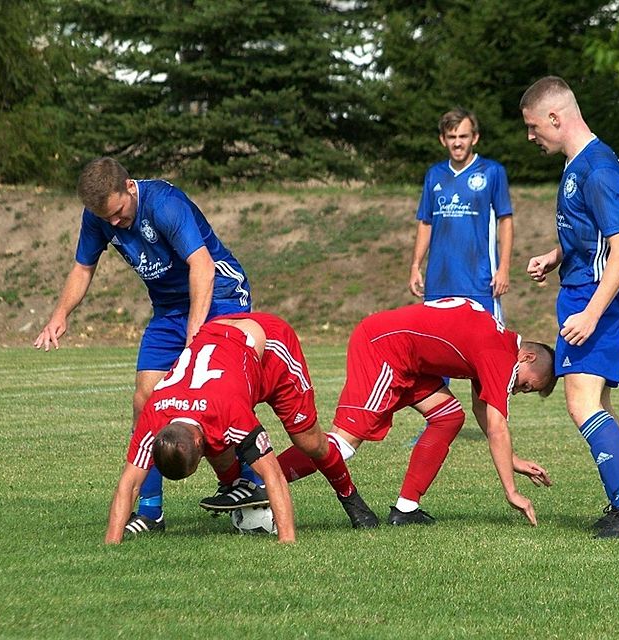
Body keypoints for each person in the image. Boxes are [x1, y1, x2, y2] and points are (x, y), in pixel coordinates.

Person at [36, 157, 258, 535]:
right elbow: (83, 267)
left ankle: (249, 480)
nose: (114, 223)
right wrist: (60, 314)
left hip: (220, 295)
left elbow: (202, 266)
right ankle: (151, 511)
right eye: (106, 218)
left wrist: (195, 335)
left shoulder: (164, 204)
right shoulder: (99, 216)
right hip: (169, 309)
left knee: (215, 397)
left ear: (129, 187)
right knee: (145, 401)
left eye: (118, 213)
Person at [270, 297, 555, 526]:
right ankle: (260, 481)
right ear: (527, 357)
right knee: (344, 443)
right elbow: (496, 426)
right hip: (383, 347)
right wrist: (511, 491)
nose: (518, 391)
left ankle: (406, 509)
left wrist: (512, 459)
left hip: (407, 358)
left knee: (448, 416)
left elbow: (481, 406)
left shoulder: (497, 341)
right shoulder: (500, 356)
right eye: (526, 385)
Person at [520, 76, 619, 539]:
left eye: (533, 126)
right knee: (598, 403)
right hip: (583, 291)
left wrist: (592, 313)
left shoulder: (598, 169)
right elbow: (590, 235)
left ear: (555, 117)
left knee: (581, 402)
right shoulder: (578, 164)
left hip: (597, 297)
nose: (530, 135)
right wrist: (555, 255)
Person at [105, 312, 377, 544]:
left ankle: (350, 498)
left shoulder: (230, 413)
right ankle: (239, 486)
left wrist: (287, 542)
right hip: (224, 347)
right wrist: (112, 543)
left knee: (310, 442)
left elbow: (273, 475)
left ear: (196, 442)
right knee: (217, 438)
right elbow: (130, 484)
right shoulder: (154, 413)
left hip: (271, 347)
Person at [409, 107, 514, 323]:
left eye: (463, 136)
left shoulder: (492, 172)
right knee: (438, 342)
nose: (457, 143)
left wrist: (503, 268)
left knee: (485, 342)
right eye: (452, 137)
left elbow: (505, 221)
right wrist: (415, 266)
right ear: (443, 140)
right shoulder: (434, 174)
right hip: (439, 283)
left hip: (480, 283)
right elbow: (426, 223)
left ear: (475, 138)